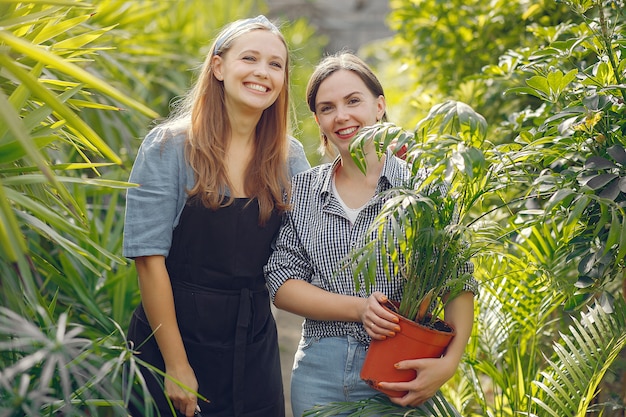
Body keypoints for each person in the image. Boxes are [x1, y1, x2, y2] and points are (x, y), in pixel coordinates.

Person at [264, 52, 478, 417]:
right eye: (327, 107)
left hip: (402, 371)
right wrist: (359, 309)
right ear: (318, 120)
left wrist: (449, 363)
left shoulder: (426, 189)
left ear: (379, 106)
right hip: (319, 373)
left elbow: (458, 282)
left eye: (353, 101)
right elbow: (282, 282)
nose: (342, 116)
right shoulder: (302, 192)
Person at [122, 15, 310, 417]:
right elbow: (148, 261)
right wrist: (175, 365)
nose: (263, 72)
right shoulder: (168, 148)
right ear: (219, 66)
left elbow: (314, 243)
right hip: (173, 338)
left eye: (275, 64)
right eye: (250, 58)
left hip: (254, 343)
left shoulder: (289, 157)